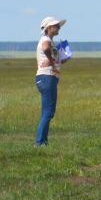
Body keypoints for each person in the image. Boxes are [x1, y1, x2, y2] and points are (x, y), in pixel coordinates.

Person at [35, 16, 66, 146]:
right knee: (49, 112)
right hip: (47, 77)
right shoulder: (45, 39)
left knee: (47, 112)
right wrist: (52, 62)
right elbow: (46, 48)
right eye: (56, 26)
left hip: (47, 78)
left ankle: (43, 141)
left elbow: (54, 55)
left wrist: (60, 57)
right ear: (48, 28)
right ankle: (40, 142)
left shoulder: (51, 41)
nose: (58, 27)